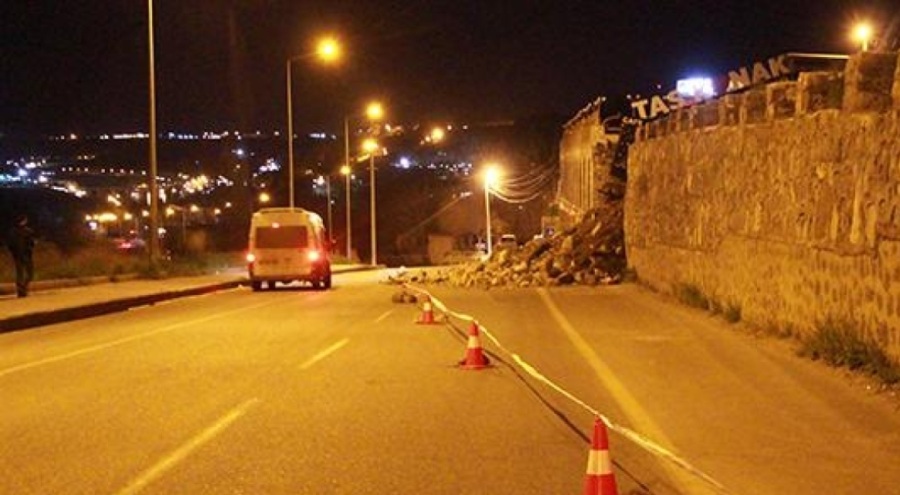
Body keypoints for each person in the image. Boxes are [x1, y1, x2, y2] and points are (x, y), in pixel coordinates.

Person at [7, 214, 36, 298]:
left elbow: (10, 245)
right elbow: (31, 243)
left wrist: (14, 253)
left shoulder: (12, 232)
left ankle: (21, 290)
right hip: (26, 255)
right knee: (29, 273)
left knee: (20, 274)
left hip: (18, 256)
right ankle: (23, 289)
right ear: (24, 221)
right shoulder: (28, 231)